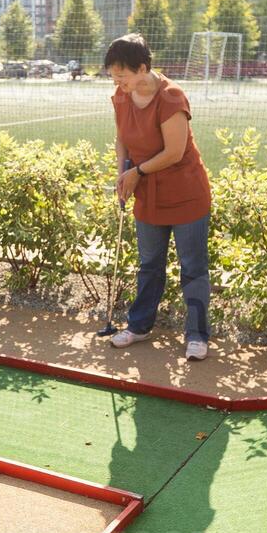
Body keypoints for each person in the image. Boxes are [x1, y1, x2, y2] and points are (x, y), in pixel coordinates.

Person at [105, 32, 212, 361]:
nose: (118, 83)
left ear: (142, 68)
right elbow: (121, 137)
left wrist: (136, 173)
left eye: (122, 76)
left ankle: (197, 335)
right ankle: (139, 326)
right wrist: (123, 171)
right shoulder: (122, 97)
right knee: (149, 266)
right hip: (146, 195)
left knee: (192, 267)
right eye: (113, 76)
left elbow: (175, 152)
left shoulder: (171, 97)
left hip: (186, 195)